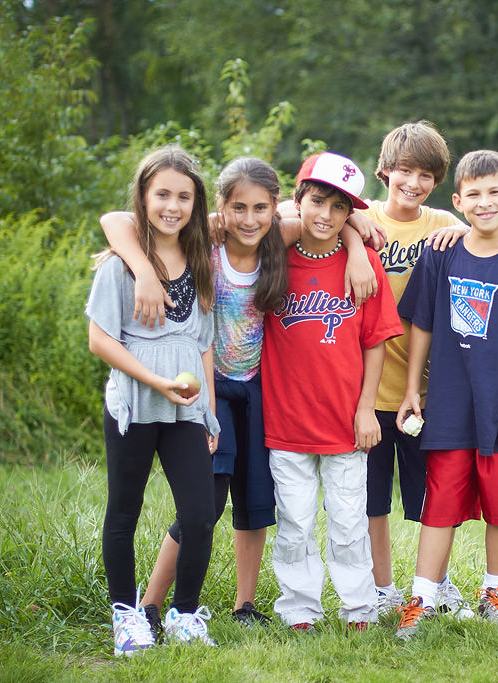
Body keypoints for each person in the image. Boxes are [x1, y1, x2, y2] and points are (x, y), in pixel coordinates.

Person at [100, 157, 289, 635]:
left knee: (235, 502)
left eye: (260, 208)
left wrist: (354, 237)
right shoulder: (198, 244)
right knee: (175, 503)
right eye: (238, 208)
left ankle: (223, 609)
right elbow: (117, 220)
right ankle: (142, 608)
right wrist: (143, 269)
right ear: (221, 209)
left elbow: (333, 217)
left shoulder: (262, 242)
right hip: (177, 395)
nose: (249, 218)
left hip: (235, 393)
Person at [392, 150, 498, 640]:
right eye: (474, 195)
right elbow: (420, 322)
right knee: (440, 503)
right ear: (458, 201)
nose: (485, 203)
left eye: (494, 193)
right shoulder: (441, 253)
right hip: (449, 403)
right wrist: (413, 388)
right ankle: (422, 598)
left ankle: (494, 593)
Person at [86, 145, 220, 655]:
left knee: (200, 513)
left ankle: (185, 615)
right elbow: (102, 341)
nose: (172, 205)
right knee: (124, 510)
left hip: (186, 409)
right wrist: (155, 382)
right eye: (162, 193)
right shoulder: (121, 267)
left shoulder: (201, 262)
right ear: (142, 198)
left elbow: (203, 341)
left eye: (184, 196)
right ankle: (126, 616)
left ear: (195, 203)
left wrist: (207, 410)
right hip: (136, 407)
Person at [261, 151, 403, 632]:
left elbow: (376, 343)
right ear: (297, 200)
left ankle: (358, 608)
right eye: (316, 201)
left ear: (351, 215)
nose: (325, 215)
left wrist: (367, 410)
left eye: (339, 208)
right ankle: (299, 608)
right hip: (288, 419)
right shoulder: (273, 256)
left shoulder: (363, 268)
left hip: (345, 420)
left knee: (347, 523)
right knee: (295, 523)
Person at [363, 121, 471, 617]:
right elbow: (294, 210)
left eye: (426, 173)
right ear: (384, 171)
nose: (414, 182)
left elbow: (488, 239)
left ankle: (436, 583)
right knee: (372, 501)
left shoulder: (443, 224)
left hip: (423, 387)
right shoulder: (358, 220)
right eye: (405, 170)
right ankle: (382, 589)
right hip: (366, 387)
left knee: (435, 496)